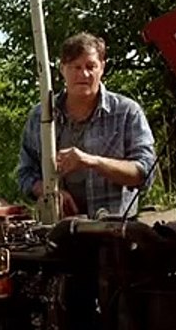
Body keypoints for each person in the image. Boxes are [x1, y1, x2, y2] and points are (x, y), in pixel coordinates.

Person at [16, 32, 156, 218]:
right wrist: (47, 191)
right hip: (59, 231)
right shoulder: (41, 116)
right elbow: (25, 173)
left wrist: (92, 162)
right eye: (76, 67)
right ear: (62, 69)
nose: (83, 74)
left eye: (91, 66)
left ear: (102, 68)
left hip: (115, 230)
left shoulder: (127, 112)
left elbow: (145, 172)